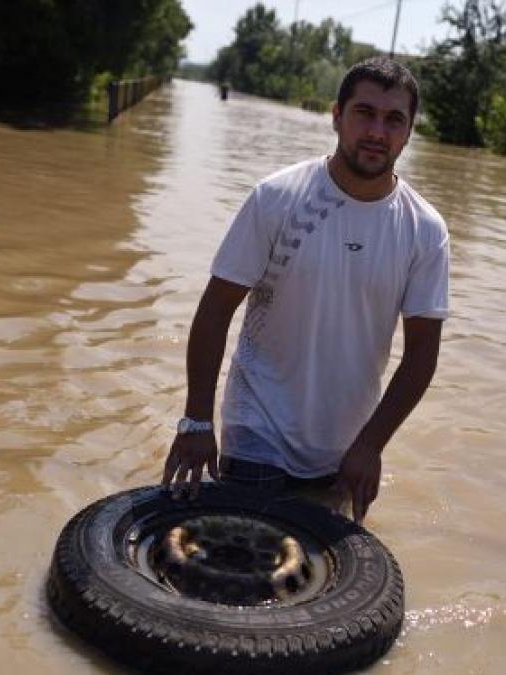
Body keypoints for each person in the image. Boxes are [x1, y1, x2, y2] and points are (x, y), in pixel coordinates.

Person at [161, 57, 450, 523]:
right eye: (364, 113)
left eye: (393, 119)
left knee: (316, 567)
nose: (377, 132)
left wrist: (371, 445)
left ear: (409, 131)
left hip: (347, 447)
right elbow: (215, 310)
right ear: (337, 116)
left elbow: (421, 356)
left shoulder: (425, 231)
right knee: (244, 555)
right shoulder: (277, 198)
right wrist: (196, 420)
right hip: (258, 428)